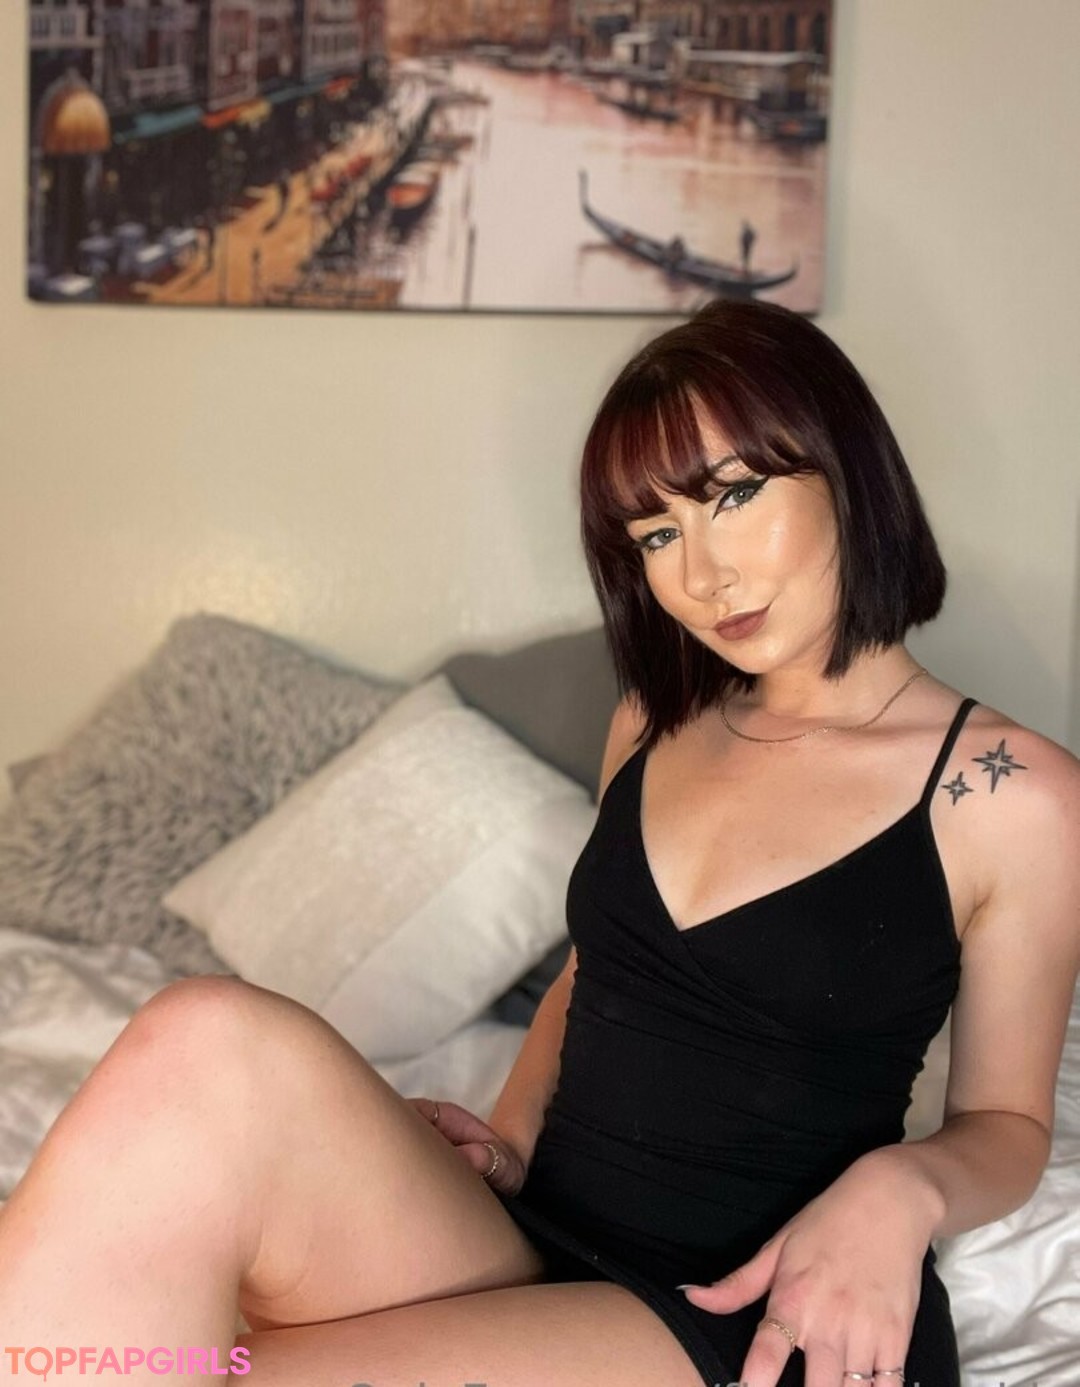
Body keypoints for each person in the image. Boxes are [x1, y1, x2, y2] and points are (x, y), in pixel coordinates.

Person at [0, 301, 1076, 1387]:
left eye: (733, 496)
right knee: (200, 1037)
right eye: (657, 535)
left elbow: (1006, 1122)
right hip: (544, 1243)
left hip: (757, 1311)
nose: (702, 575)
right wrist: (509, 1136)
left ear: (847, 469)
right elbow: (595, 972)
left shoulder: (1012, 793)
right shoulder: (655, 722)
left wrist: (904, 1187)